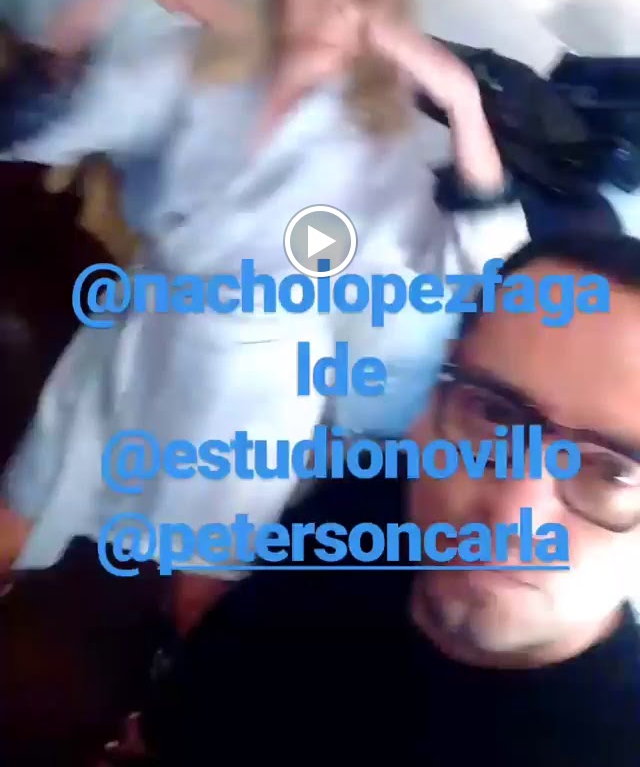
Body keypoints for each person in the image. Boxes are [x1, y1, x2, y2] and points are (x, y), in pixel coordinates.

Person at [0, 0, 523, 632]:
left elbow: (484, 264)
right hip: (133, 344)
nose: (333, 5)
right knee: (19, 513)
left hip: (250, 395)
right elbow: (35, 130)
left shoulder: (382, 149)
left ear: (390, 16)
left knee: (200, 601)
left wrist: (464, 103)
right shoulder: (194, 63)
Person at [139, 233, 640, 766]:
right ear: (433, 397)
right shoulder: (363, 504)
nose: (512, 516)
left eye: (615, 473)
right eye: (494, 414)